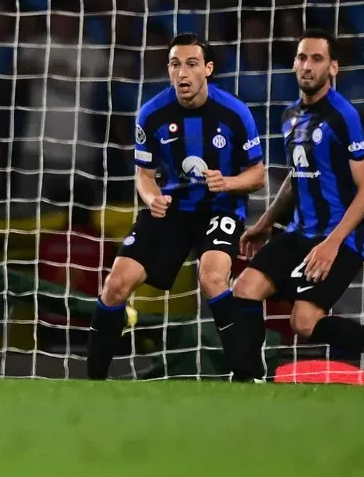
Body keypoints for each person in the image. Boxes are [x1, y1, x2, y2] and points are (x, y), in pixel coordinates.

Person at [86, 33, 265, 379]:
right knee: (115, 285)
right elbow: (144, 174)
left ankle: (247, 376)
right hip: (172, 209)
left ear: (208, 69)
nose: (182, 73)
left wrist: (227, 183)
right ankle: (92, 383)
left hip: (220, 207)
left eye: (191, 64)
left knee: (213, 278)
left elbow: (258, 175)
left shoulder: (235, 113)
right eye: (175, 64)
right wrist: (152, 199)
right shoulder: (151, 114)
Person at [226, 29, 364, 381]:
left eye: (317, 59)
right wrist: (265, 222)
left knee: (304, 323)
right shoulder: (290, 117)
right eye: (302, 58)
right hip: (298, 232)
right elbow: (298, 176)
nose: (307, 66)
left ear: (333, 68)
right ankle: (248, 380)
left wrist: (331, 244)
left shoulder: (344, 116)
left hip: (340, 236)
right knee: (244, 289)